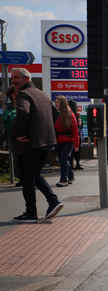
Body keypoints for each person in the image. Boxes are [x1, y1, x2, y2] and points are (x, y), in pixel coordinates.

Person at [10, 68, 63, 222]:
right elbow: (55, 114)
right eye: (13, 78)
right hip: (46, 142)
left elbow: (23, 113)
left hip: (31, 144)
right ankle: (33, 210)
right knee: (30, 176)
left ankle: (51, 201)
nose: (13, 80)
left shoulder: (24, 95)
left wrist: (20, 134)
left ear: (26, 78)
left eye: (16, 78)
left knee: (30, 176)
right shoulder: (42, 94)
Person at [53, 95, 79, 187]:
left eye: (57, 102)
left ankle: (64, 179)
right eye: (55, 102)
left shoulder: (70, 114)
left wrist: (76, 145)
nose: (55, 104)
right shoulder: (58, 114)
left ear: (62, 104)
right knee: (63, 160)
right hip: (59, 141)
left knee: (64, 159)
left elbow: (75, 130)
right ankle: (71, 176)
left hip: (68, 141)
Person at [68, 100, 83, 170]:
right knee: (77, 151)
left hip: (71, 135)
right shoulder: (77, 115)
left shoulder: (68, 114)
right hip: (77, 135)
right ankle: (77, 164)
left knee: (72, 151)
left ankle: (72, 165)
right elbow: (80, 125)